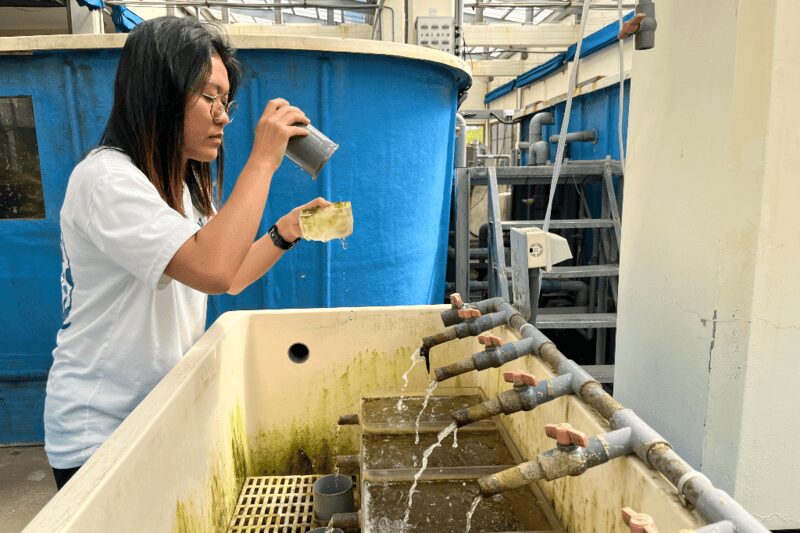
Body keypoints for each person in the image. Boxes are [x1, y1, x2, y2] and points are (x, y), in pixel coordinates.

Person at [44, 16, 329, 490]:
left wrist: (286, 230)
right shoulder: (107, 181)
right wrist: (263, 161)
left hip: (153, 416)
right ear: (158, 93)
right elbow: (213, 269)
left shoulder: (185, 187)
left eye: (226, 100)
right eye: (209, 97)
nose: (223, 116)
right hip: (100, 434)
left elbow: (228, 275)